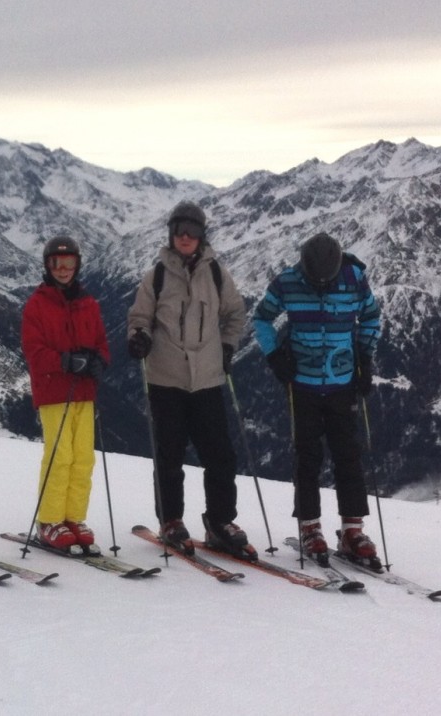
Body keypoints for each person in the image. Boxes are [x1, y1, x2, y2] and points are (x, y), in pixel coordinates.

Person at [126, 201, 251, 558]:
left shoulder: (216, 275)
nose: (185, 236)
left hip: (208, 379)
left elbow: (235, 315)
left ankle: (220, 521)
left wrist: (227, 347)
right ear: (171, 234)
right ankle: (171, 520)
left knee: (221, 455)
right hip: (167, 379)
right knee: (169, 455)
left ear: (201, 236)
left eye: (192, 231)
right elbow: (140, 316)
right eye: (180, 230)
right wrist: (139, 336)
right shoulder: (158, 276)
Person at [253, 232, 381, 562]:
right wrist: (274, 355)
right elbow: (262, 318)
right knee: (307, 458)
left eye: (327, 279)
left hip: (342, 385)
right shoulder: (288, 281)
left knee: (348, 456)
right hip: (303, 385)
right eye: (315, 280)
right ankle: (310, 527)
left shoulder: (354, 278)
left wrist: (364, 358)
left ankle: (353, 530)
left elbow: (370, 316)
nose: (321, 284)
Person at [21, 236, 109, 552]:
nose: (63, 269)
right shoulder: (37, 304)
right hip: (54, 391)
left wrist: (99, 361)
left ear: (78, 265)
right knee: (60, 456)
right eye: (57, 264)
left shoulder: (88, 303)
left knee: (84, 457)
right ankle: (50, 520)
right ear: (47, 266)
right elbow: (33, 351)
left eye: (69, 263)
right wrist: (65, 361)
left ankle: (73, 517)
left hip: (84, 391)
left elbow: (100, 341)